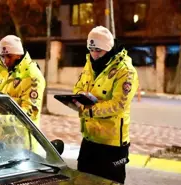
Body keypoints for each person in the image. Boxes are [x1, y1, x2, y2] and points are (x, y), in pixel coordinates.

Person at [72, 26, 139, 184]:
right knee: (82, 181)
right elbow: (78, 87)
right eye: (91, 49)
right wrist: (76, 97)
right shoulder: (89, 64)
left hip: (113, 145)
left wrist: (88, 110)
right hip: (89, 138)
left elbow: (118, 105)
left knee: (110, 182)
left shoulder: (126, 71)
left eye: (98, 50)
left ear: (108, 49)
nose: (94, 55)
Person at [0, 35, 46, 151]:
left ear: (19, 54)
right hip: (1, 143)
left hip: (22, 147)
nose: (5, 61)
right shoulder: (2, 73)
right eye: (2, 56)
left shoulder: (32, 77)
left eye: (9, 56)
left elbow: (29, 115)